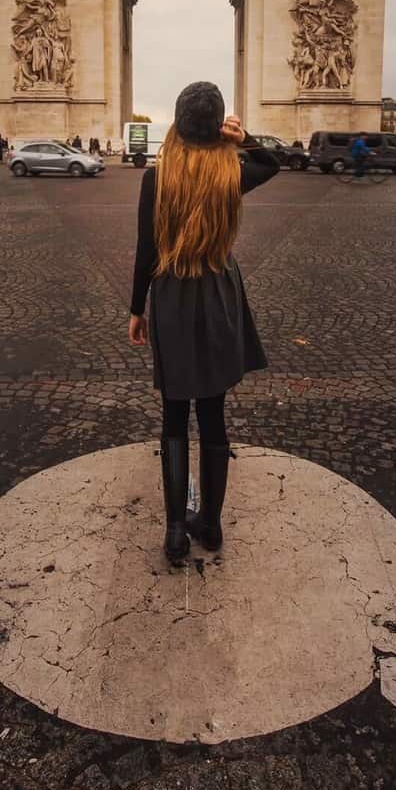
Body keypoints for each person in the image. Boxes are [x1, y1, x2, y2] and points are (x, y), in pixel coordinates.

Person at [129, 82, 280, 563]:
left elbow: (146, 252)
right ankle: (210, 525)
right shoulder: (231, 173)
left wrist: (137, 309)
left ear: (175, 120)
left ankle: (176, 531)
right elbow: (275, 164)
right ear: (218, 127)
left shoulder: (157, 178)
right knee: (212, 411)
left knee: (175, 411)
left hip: (171, 293)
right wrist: (242, 138)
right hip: (219, 292)